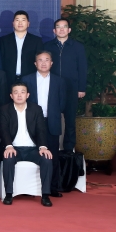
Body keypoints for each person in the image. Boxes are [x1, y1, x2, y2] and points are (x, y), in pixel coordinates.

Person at [0, 83, 54, 207]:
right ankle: (9, 194)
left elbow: (41, 129)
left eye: (22, 92)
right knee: (8, 158)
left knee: (46, 159)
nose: (19, 95)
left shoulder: (36, 109)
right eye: (16, 92)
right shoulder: (4, 109)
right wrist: (8, 146)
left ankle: (45, 195)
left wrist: (43, 147)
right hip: (14, 148)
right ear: (11, 95)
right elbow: (3, 130)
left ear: (27, 95)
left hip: (32, 149)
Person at [22, 51, 66, 196]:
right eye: (40, 60)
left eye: (47, 60)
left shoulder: (59, 81)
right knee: (33, 152)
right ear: (35, 64)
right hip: (31, 122)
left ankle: (52, 187)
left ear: (51, 63)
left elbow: (62, 103)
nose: (43, 63)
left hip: (51, 122)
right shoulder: (27, 80)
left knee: (52, 155)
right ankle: (29, 187)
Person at [44, 18, 87, 152]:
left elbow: (82, 68)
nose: (61, 29)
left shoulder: (78, 47)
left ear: (69, 30)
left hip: (71, 88)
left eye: (64, 27)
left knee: (70, 121)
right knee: (52, 119)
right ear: (54, 30)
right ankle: (52, 147)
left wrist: (81, 88)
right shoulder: (47, 46)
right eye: (58, 27)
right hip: (52, 88)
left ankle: (69, 149)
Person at [0, 10, 44, 87]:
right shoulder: (4, 40)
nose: (20, 23)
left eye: (23, 20)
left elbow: (39, 60)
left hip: (29, 78)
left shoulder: (36, 41)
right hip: (8, 79)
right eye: (17, 20)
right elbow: (0, 61)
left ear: (28, 23)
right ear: (13, 23)